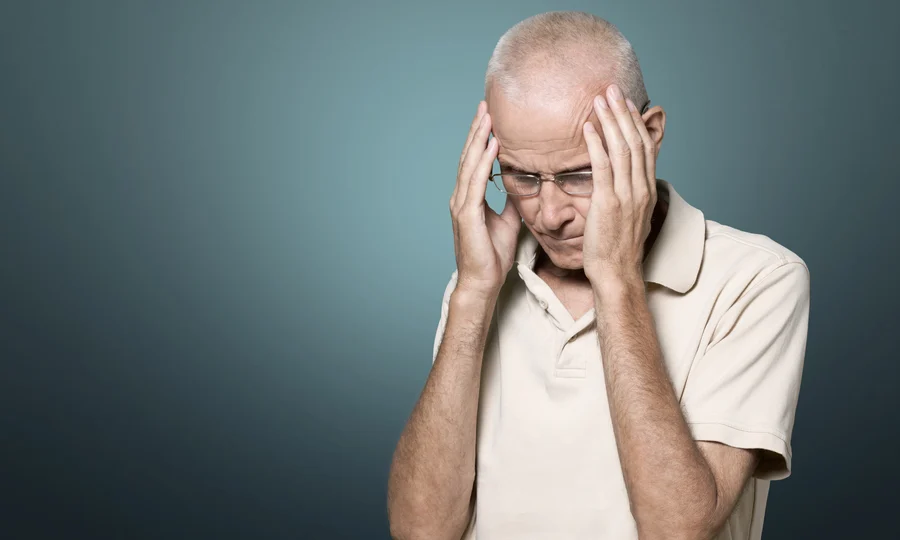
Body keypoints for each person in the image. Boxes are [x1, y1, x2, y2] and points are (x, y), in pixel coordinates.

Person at [387, 11, 810, 540]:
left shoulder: (757, 281)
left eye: (579, 174)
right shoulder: (482, 280)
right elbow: (418, 531)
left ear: (648, 135)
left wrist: (617, 279)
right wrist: (473, 293)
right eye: (520, 175)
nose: (549, 212)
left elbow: (677, 530)